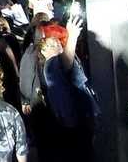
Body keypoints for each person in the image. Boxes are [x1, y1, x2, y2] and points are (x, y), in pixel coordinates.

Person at [37, 16, 98, 161]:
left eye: (58, 43)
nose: (57, 46)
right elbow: (65, 62)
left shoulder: (55, 64)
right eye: (51, 45)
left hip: (80, 121)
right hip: (74, 127)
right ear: (43, 52)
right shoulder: (50, 66)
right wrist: (73, 36)